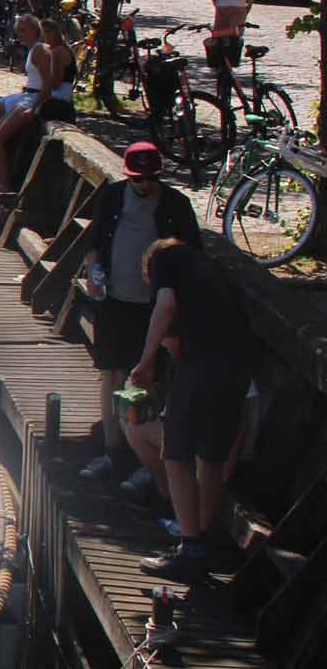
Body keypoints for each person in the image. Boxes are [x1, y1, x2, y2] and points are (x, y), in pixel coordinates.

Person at [77, 142, 201, 488]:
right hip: (114, 301)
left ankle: (144, 455)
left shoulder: (176, 204)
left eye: (150, 178)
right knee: (111, 376)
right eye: (137, 179)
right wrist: (93, 271)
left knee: (146, 381)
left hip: (152, 309)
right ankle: (111, 450)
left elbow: (193, 254)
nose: (144, 185)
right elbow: (94, 241)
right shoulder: (113, 197)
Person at [131, 236, 247, 584]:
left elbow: (165, 306)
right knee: (210, 456)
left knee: (176, 452)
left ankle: (190, 547)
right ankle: (201, 545)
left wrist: (146, 362)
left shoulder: (163, 260)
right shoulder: (204, 268)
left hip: (203, 364)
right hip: (237, 366)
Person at [0, 16, 52, 194]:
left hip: (33, 99)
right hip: (27, 95)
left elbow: (48, 83)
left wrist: (34, 106)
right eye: (18, 30)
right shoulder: (32, 50)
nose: (19, 34)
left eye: (24, 30)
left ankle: (5, 184)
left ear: (34, 30)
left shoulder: (39, 51)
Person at [206, 0, 257, 101]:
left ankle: (221, 66)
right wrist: (248, 6)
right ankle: (232, 63)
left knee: (219, 36)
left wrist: (216, 2)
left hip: (222, 5)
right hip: (239, 5)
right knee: (235, 36)